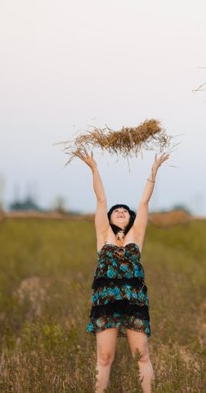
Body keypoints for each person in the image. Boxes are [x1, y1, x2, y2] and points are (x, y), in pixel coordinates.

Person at [75, 150, 169, 393]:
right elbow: (101, 200)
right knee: (104, 358)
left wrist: (154, 171)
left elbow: (144, 202)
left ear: (130, 218)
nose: (120, 211)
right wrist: (94, 168)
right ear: (109, 218)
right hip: (106, 303)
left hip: (133, 302)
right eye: (116, 210)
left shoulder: (136, 237)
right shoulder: (103, 236)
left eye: (124, 211)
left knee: (142, 356)